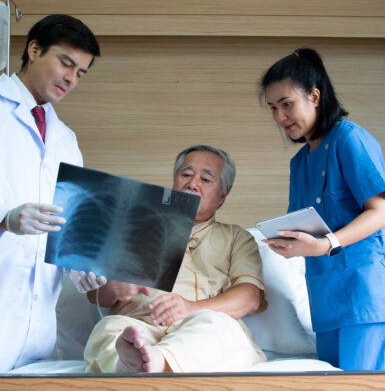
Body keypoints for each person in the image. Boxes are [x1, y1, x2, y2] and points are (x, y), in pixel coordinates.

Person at [84, 145, 268, 373]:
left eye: (206, 179)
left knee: (217, 327)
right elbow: (96, 295)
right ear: (174, 181)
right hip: (139, 327)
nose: (193, 184)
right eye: (186, 175)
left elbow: (250, 298)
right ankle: (131, 362)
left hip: (198, 329)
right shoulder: (134, 228)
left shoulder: (236, 237)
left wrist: (190, 308)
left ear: (223, 193)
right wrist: (114, 287)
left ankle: (149, 364)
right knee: (109, 329)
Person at [259, 47, 385, 371]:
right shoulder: (299, 163)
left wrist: (326, 244)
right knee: (329, 382)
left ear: (314, 96)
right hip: (324, 299)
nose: (280, 117)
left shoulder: (350, 139)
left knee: (359, 384)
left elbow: (381, 211)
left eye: (287, 104)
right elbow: (302, 225)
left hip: (364, 293)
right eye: (273, 108)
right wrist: (286, 244)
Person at [0, 14, 104, 372]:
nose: (71, 79)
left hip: (36, 332)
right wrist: (4, 220)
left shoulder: (66, 141)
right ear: (33, 49)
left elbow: (69, 224)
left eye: (81, 73)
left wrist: (79, 263)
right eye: (66, 63)